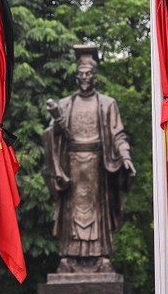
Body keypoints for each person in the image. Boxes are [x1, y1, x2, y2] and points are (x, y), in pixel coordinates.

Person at [43, 44, 135, 273]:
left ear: (95, 77)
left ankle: (102, 256)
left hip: (97, 164)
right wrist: (55, 127)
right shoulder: (65, 104)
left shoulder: (107, 103)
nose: (84, 78)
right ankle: (68, 256)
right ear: (76, 77)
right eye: (81, 74)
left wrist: (125, 155)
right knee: (71, 210)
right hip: (71, 164)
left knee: (97, 210)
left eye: (88, 74)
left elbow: (118, 134)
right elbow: (50, 134)